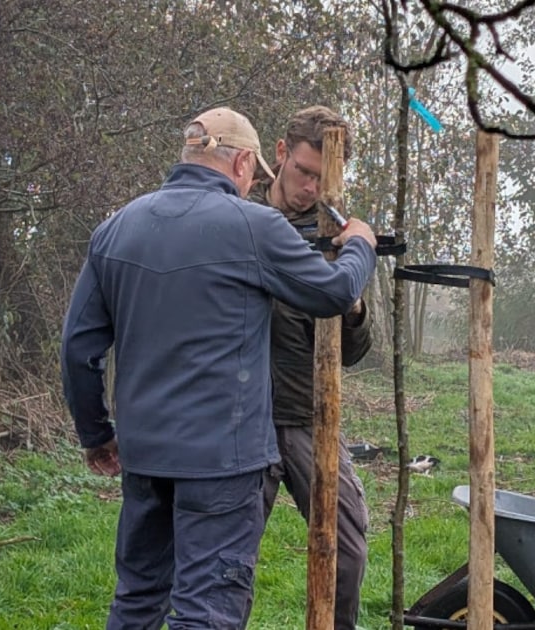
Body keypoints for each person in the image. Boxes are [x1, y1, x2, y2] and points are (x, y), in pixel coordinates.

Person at [60, 106, 378, 630]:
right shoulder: (254, 227)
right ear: (246, 162)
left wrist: (96, 435)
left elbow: (78, 349)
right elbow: (337, 291)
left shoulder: (116, 228)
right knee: (208, 611)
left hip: (146, 454)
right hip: (223, 460)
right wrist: (362, 246)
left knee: (138, 599)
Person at [248, 105, 372, 630]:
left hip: (306, 415)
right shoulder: (241, 220)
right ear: (280, 154)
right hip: (243, 417)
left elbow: (353, 353)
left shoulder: (335, 237)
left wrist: (353, 307)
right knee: (227, 560)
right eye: (302, 172)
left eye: (322, 180)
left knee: (348, 547)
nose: (308, 188)